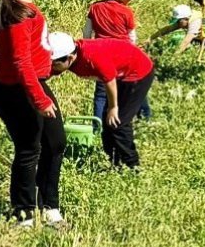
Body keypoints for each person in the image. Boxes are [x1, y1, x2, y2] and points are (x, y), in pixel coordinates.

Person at [0, 0, 65, 227]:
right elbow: (21, 62)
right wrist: (40, 99)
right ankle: (24, 214)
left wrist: (44, 68)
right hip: (20, 91)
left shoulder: (16, 8)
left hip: (31, 84)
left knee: (55, 142)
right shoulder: (20, 15)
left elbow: (5, 50)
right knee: (29, 149)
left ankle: (50, 207)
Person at [48, 33, 154, 169]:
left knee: (118, 122)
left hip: (137, 72)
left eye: (54, 64)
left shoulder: (92, 57)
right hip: (120, 73)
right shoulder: (68, 57)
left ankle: (132, 166)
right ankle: (113, 161)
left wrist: (113, 107)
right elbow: (47, 73)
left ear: (69, 57)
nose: (52, 67)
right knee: (107, 120)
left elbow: (109, 80)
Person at [84, 0, 143, 119]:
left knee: (101, 95)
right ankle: (128, 120)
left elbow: (87, 33)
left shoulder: (94, 8)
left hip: (101, 56)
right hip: (121, 56)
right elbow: (132, 37)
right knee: (127, 90)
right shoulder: (126, 11)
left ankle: (97, 127)